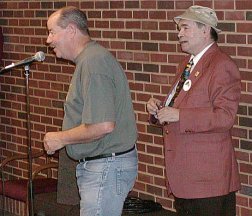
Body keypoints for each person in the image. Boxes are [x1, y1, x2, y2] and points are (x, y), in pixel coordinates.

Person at [43, 6, 138, 216]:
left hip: (105, 167)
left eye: (51, 32)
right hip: (102, 166)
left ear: (71, 30)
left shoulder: (94, 62)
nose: (48, 40)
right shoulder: (90, 60)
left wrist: (61, 138)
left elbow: (103, 125)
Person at [146, 5, 241, 216]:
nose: (179, 34)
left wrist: (179, 115)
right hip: (186, 178)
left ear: (205, 30)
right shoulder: (187, 64)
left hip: (207, 181)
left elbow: (225, 117)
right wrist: (159, 110)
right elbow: (181, 105)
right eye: (179, 29)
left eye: (185, 28)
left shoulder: (221, 65)